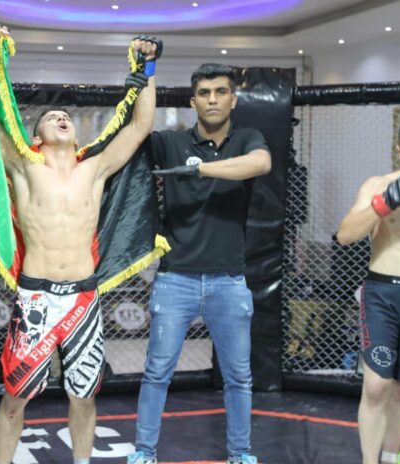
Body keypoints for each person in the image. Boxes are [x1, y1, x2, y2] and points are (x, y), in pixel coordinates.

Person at [0, 26, 162, 464]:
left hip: (83, 296)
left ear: (77, 137)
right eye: (51, 117)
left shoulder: (94, 169)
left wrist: (149, 67)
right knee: (15, 398)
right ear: (37, 137)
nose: (61, 117)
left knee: (84, 396)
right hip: (36, 296)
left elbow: (141, 125)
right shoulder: (24, 167)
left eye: (66, 116)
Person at [128, 63, 272, 464]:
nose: (212, 100)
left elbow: (261, 164)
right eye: (204, 93)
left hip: (229, 280)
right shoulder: (172, 142)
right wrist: (147, 72)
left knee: (239, 377)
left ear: (233, 99)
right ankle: (144, 453)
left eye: (220, 92)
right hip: (176, 279)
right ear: (193, 101)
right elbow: (139, 127)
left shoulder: (247, 138)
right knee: (157, 372)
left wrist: (200, 168)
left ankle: (240, 454)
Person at [336, 116, 400, 464]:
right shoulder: (379, 185)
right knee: (376, 386)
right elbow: (345, 235)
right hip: (383, 292)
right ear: (399, 150)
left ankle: (389, 460)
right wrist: (384, 203)